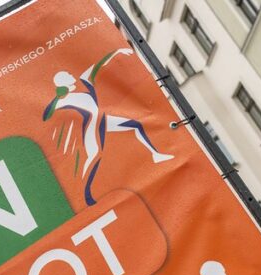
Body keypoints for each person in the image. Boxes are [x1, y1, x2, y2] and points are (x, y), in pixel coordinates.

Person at [43, 48, 174, 205]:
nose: (71, 75)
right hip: (91, 128)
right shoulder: (65, 98)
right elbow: (46, 115)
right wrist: (57, 98)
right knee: (94, 156)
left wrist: (117, 51)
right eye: (67, 76)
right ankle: (84, 194)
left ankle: (156, 154)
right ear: (63, 82)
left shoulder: (84, 80)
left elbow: (98, 65)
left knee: (135, 125)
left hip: (103, 120)